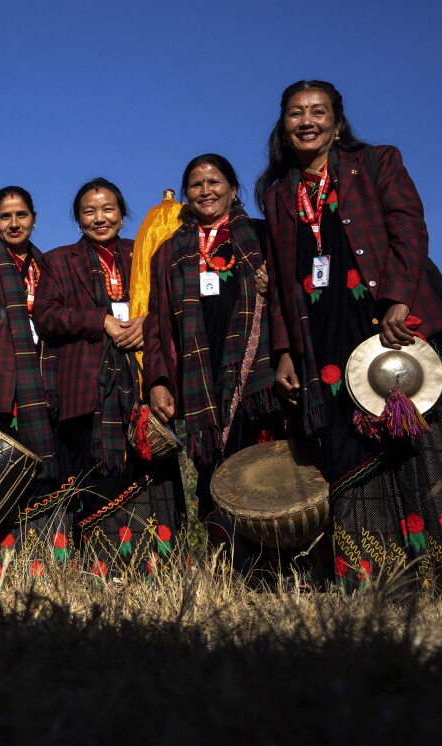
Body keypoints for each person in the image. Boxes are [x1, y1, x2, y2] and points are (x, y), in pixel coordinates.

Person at [256, 80, 442, 593]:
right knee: (348, 455)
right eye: (296, 113)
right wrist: (284, 350)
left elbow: (410, 229)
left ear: (337, 120)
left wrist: (398, 298)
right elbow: (283, 279)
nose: (307, 121)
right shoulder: (277, 193)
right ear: (283, 124)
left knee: (420, 451)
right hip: (322, 339)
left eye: (318, 111)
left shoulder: (376, 161)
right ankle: (373, 588)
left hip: (387, 327)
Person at [143, 157, 282, 576]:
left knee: (261, 466)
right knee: (214, 471)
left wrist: (272, 287)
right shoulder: (170, 252)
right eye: (196, 184)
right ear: (186, 195)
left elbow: (291, 294)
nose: (206, 190)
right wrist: (159, 380)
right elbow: (158, 322)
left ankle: (277, 568)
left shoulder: (260, 236)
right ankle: (235, 571)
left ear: (233, 189)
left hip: (255, 372)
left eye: (214, 182)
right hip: (199, 376)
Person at [39, 178, 185, 576]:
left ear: (123, 214)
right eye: (89, 211)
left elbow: (170, 303)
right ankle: (102, 572)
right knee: (97, 480)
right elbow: (47, 316)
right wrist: (99, 319)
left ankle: (160, 571)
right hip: (87, 391)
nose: (99, 218)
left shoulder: (145, 252)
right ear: (78, 218)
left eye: (108, 209)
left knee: (151, 479)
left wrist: (148, 322)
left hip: (141, 383)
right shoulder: (58, 260)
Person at [0, 186, 72, 569]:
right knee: (0, 485)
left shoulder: (51, 264)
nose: (14, 223)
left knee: (46, 480)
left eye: (21, 215)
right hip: (3, 389)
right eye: (5, 216)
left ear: (34, 219)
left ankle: (43, 567)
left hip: (47, 389)